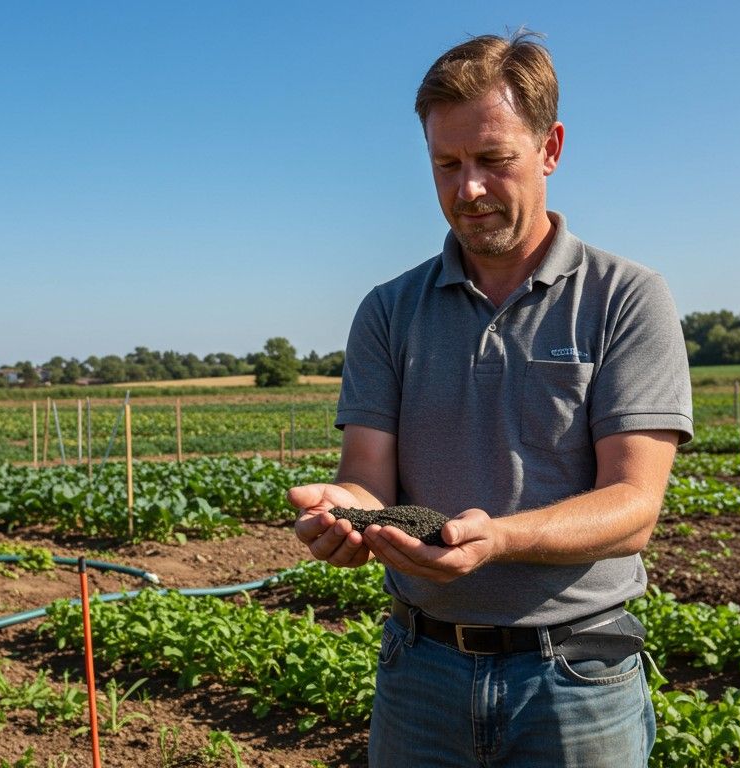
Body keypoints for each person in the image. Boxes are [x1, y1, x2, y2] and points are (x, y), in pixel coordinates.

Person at [289, 31, 693, 767]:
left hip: (576, 677)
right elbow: (366, 479)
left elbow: (634, 507)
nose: (467, 189)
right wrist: (343, 515)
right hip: (421, 671)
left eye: (492, 160)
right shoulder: (389, 310)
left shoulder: (626, 298)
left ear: (550, 148)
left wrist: (499, 538)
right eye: (446, 165)